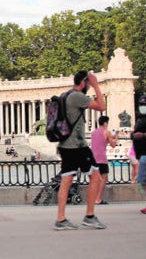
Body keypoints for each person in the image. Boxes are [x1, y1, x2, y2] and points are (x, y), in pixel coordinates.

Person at [53, 71, 106, 230]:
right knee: (96, 175)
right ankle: (89, 215)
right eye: (88, 84)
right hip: (78, 145)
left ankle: (61, 219)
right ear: (83, 83)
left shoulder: (65, 95)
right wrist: (96, 85)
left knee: (66, 181)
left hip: (65, 145)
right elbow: (101, 106)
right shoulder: (77, 96)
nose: (89, 87)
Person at [90, 116, 117, 204]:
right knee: (104, 178)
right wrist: (116, 138)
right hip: (101, 158)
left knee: (95, 179)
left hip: (93, 158)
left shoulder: (93, 132)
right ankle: (98, 198)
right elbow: (113, 145)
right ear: (105, 123)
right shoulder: (106, 132)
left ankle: (93, 198)